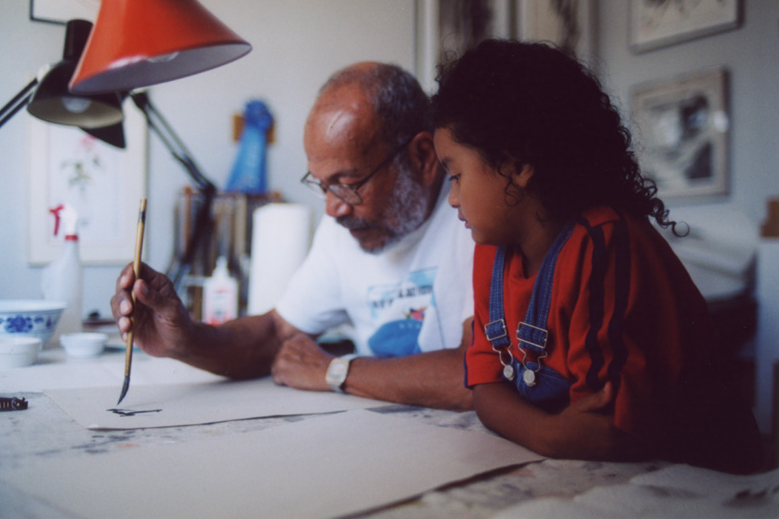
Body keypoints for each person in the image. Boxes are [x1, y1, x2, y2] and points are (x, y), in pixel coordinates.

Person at [430, 39, 763, 472]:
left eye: (456, 175)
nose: (452, 199)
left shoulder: (602, 243)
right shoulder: (490, 252)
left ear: (517, 164)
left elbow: (605, 433)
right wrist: (544, 432)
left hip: (701, 470)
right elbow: (485, 387)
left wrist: (541, 429)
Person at [112, 62, 476, 410]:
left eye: (348, 185)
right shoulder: (343, 229)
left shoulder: (475, 220)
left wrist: (335, 371)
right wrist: (184, 339)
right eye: (322, 186)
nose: (333, 209)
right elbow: (275, 333)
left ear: (422, 157)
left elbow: (478, 375)